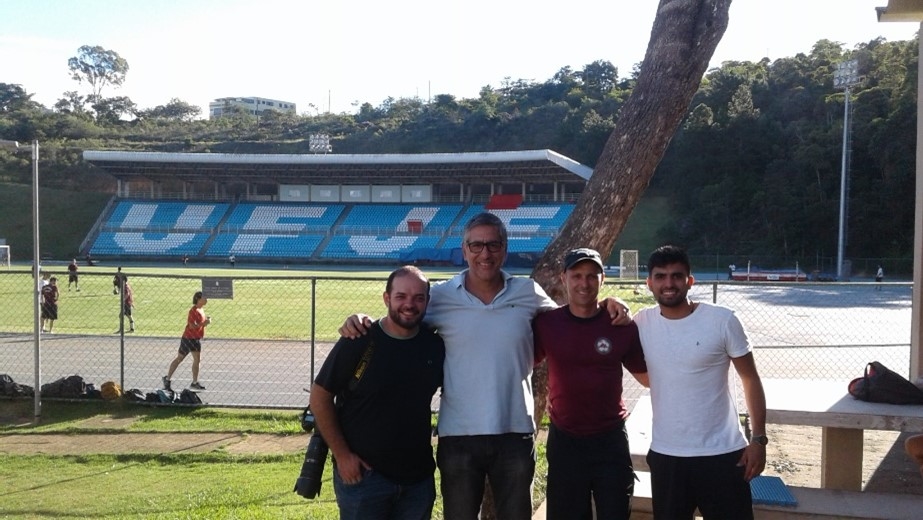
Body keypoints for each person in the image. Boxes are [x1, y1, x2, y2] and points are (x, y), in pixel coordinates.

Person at [340, 212, 632, 520]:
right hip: (459, 436)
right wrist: (361, 319)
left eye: (493, 245)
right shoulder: (439, 297)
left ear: (504, 249)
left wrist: (607, 303)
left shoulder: (527, 292)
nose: (485, 253)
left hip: (515, 432)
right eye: (476, 245)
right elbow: (399, 319)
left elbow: (571, 318)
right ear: (464, 250)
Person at [634, 245, 767, 520]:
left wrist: (759, 439)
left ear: (689, 281)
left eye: (676, 276)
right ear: (649, 283)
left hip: (723, 454)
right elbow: (651, 378)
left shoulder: (723, 320)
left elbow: (750, 379)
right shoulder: (640, 323)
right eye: (660, 276)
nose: (668, 283)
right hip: (667, 455)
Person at [311, 266, 445, 520]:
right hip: (365, 477)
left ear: (427, 301)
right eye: (401, 296)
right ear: (386, 298)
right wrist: (342, 456)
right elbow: (320, 397)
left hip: (417, 480)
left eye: (419, 298)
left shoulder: (434, 346)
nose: (410, 304)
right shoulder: (361, 339)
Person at [533, 248, 649, 520]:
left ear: (602, 279)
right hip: (566, 441)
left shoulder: (620, 324)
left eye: (591, 276)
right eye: (576, 276)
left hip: (609, 440)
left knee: (615, 513)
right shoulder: (548, 324)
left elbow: (648, 378)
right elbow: (520, 362)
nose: (584, 283)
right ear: (564, 278)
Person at [163, 291, 211, 391]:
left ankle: (194, 382)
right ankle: (167, 379)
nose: (206, 300)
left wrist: (205, 323)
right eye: (204, 298)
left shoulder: (201, 310)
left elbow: (199, 324)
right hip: (188, 338)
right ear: (198, 299)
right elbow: (192, 326)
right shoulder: (193, 311)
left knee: (197, 360)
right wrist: (204, 323)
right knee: (179, 359)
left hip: (196, 339)